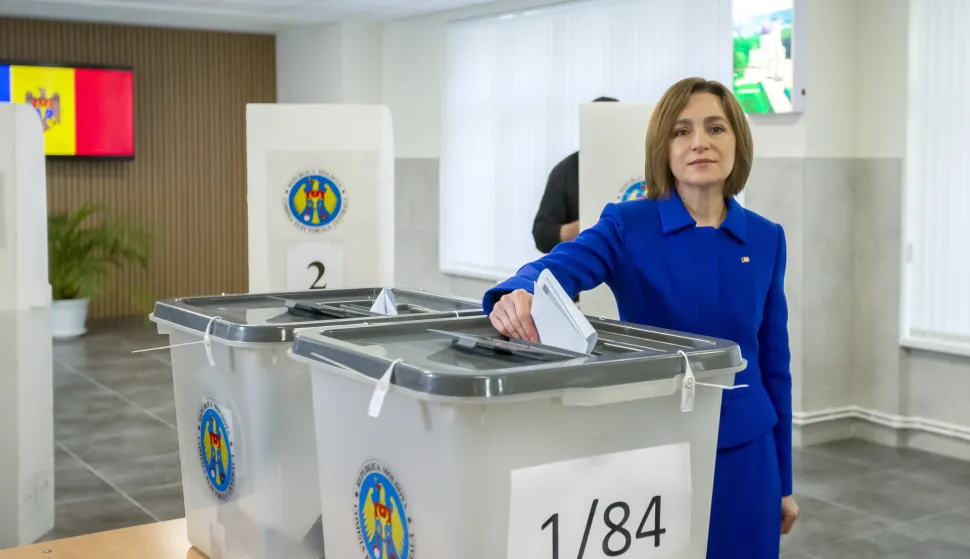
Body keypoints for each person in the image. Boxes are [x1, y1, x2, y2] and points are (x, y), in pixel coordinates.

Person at [482, 77, 798, 558]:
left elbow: (775, 366)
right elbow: (556, 267)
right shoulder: (627, 224)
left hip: (747, 453)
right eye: (681, 131)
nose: (700, 142)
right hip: (656, 445)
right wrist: (518, 292)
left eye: (716, 128)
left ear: (738, 141)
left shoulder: (766, 237)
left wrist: (784, 480)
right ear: (662, 148)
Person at [531, 96, 619, 254]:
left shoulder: (645, 164)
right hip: (585, 261)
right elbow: (542, 235)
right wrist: (587, 225)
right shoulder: (566, 170)